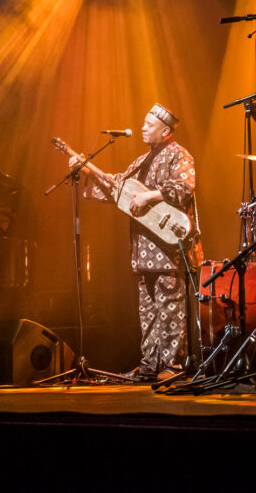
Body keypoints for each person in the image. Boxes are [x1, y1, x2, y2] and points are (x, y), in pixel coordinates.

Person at [72, 104, 203, 382]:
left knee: (170, 307)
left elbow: (183, 188)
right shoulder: (141, 161)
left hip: (169, 248)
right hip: (143, 249)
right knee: (148, 310)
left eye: (148, 123)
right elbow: (115, 186)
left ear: (165, 130)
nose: (143, 127)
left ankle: (173, 365)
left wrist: (149, 196)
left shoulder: (178, 154)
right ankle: (149, 365)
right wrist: (86, 170)